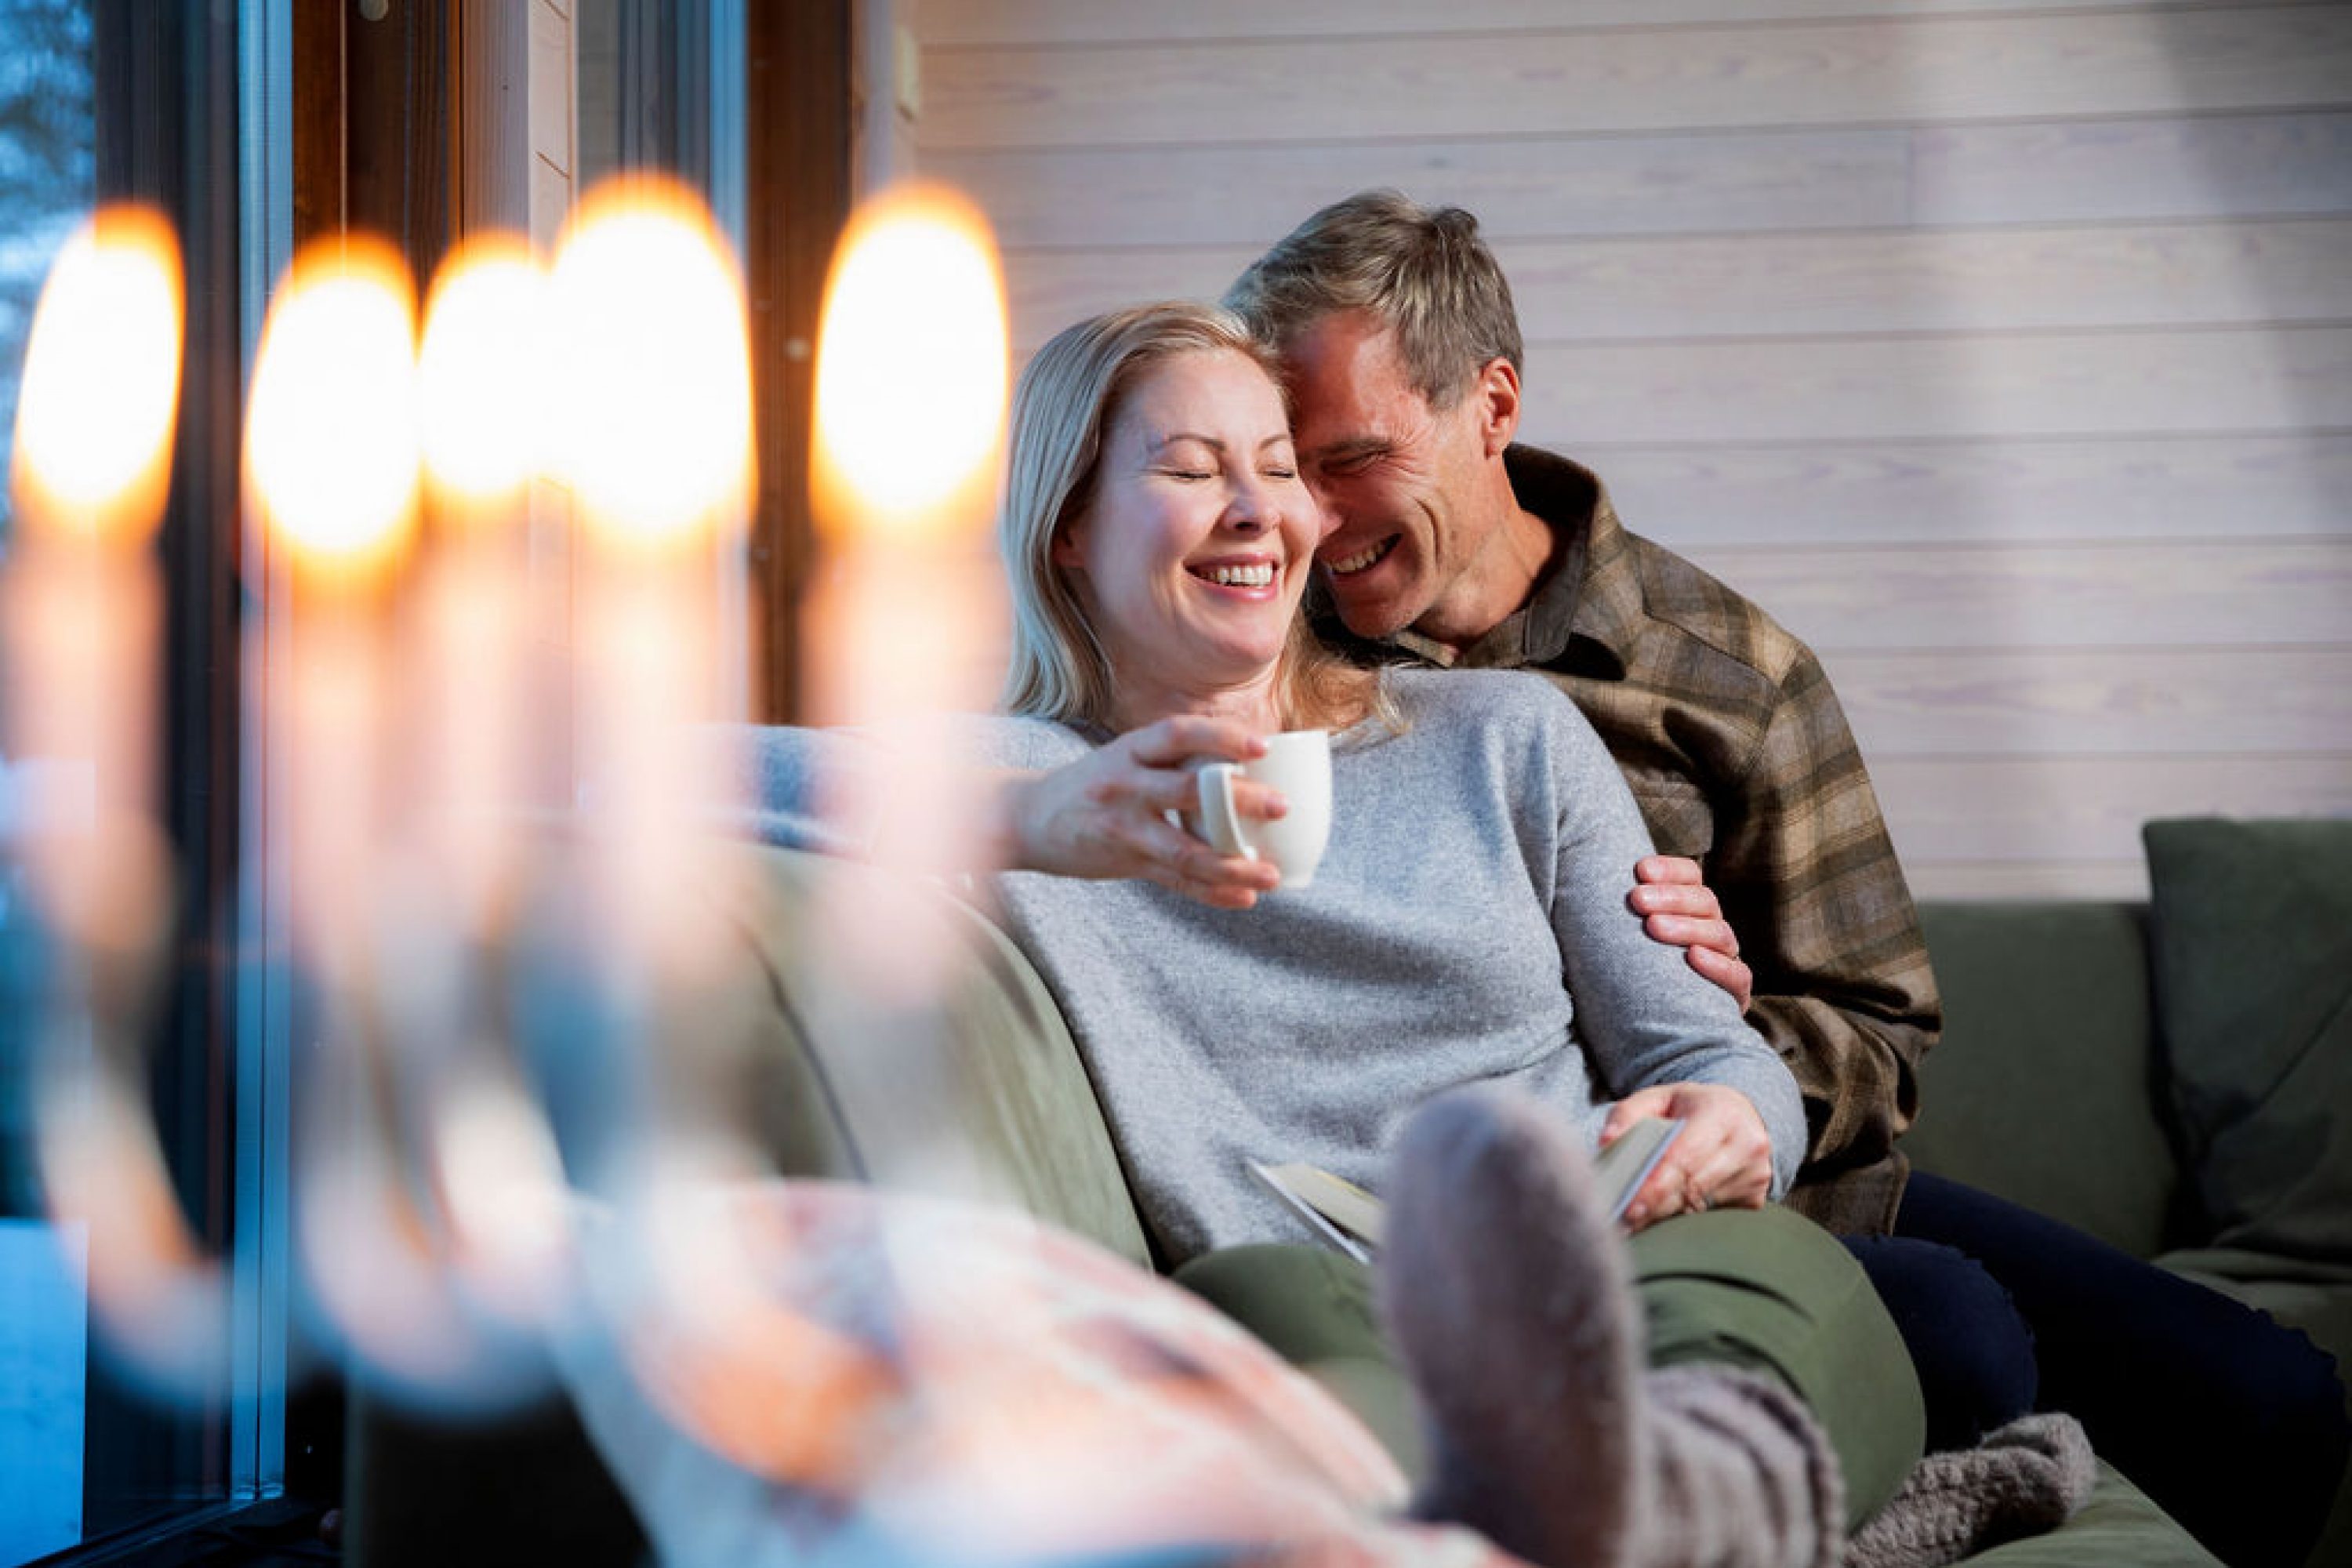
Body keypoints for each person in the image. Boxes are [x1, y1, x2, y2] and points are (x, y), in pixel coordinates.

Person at [729, 302, 2095, 1568]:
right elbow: (610, 771)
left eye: (1278, 464)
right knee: (1263, 1314)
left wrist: (1743, 1120)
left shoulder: (1501, 735)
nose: (1258, 507)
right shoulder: (1007, 776)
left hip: (1600, 1243)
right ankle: (1491, 1522)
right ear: (1070, 525)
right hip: (1323, 1278)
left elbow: (1703, 1051)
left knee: (1781, 1286)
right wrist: (1032, 820)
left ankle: (1631, 1510)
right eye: (1193, 468)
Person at [1220, 188, 2348, 1568]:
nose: (1313, 519)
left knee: (2273, 1402)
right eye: (1288, 466)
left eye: (1355, 457)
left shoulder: (1726, 674)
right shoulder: (1254, 656)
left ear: (1492, 404)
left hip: (1769, 1204)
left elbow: (1875, 1021)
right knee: (1952, 1336)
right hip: (1449, 1218)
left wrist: (1724, 1062)